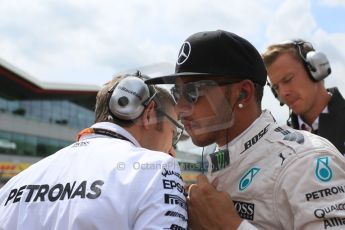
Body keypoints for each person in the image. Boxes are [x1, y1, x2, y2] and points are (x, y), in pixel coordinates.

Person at [146, 30, 345, 229]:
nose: (180, 108)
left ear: (243, 93)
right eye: (177, 93)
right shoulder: (223, 158)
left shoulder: (305, 162)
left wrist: (231, 226)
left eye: (193, 92)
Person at [0, 72, 187, 230]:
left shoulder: (13, 186)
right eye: (175, 132)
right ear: (148, 114)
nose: (172, 150)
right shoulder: (157, 169)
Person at [262, 39, 345, 155]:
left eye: (288, 79)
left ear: (315, 69)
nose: (283, 93)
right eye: (276, 87)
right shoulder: (281, 140)